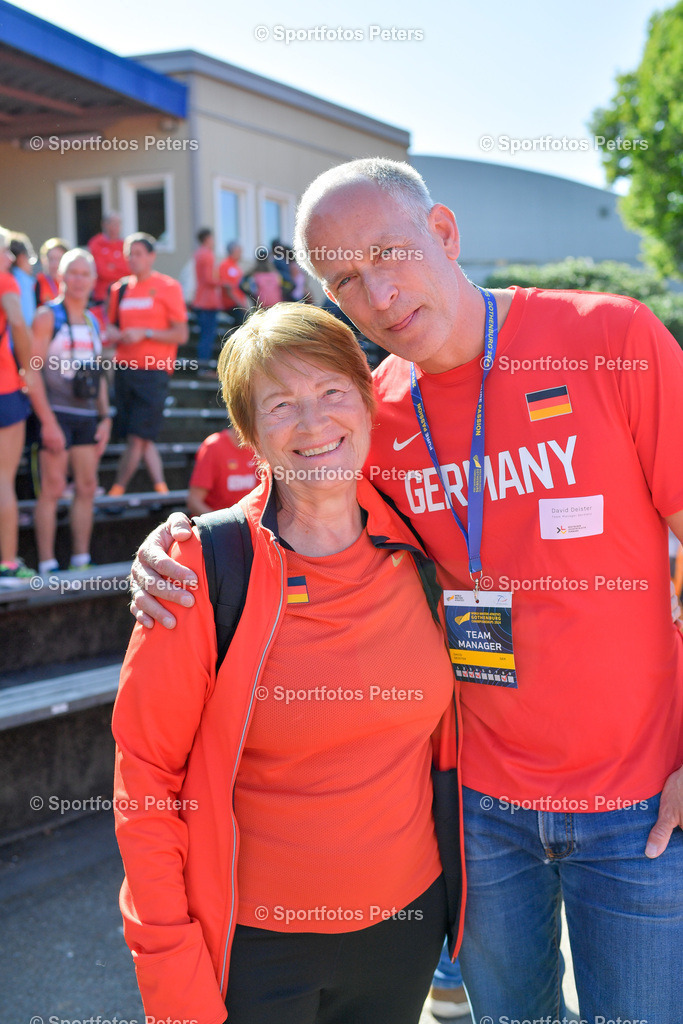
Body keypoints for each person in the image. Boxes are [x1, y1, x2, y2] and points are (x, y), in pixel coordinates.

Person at [130, 157, 683, 1024]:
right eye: (346, 277)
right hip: (477, 812)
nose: (379, 293)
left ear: (446, 233)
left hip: (641, 801)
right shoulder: (376, 408)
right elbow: (301, 478)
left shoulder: (609, 337)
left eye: (390, 252)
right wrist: (174, 544)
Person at [113, 302, 464, 1024]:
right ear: (247, 432)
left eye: (332, 392)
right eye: (280, 404)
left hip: (403, 929)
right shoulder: (203, 565)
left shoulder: (427, 546)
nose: (312, 424)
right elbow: (144, 777)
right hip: (253, 947)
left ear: (368, 402)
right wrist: (168, 966)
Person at [31, 249, 111, 573]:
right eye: (72, 273)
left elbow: (98, 373)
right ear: (61, 276)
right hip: (55, 412)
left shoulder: (93, 321)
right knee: (51, 487)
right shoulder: (47, 316)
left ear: (93, 280)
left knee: (87, 486)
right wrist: (47, 422)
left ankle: (81, 559)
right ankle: (47, 564)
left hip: (86, 416)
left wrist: (106, 417)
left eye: (85, 274)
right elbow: (31, 370)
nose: (78, 280)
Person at [106, 233, 188, 496]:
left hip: (154, 371)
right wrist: (116, 334)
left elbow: (181, 334)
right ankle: (161, 489)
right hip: (124, 369)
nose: (133, 258)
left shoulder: (168, 286)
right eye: (129, 253)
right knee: (142, 435)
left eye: (139, 253)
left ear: (152, 256)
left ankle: (116, 489)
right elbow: (109, 326)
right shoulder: (119, 289)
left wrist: (146, 333)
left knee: (138, 437)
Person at [0, 226, 39, 585]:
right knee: (4, 479)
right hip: (5, 388)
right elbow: (16, 322)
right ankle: (8, 564)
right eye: (4, 251)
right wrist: (28, 367)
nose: (11, 258)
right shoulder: (5, 280)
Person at [186, 425, 257, 516]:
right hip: (217, 524)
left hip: (248, 524)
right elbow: (194, 502)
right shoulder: (213, 446)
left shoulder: (259, 447)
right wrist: (222, 524)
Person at [192, 228, 222, 364]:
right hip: (207, 302)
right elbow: (209, 279)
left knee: (205, 335)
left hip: (200, 300)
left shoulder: (199, 253)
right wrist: (223, 281)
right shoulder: (207, 254)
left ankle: (202, 367)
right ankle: (203, 367)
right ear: (207, 239)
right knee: (207, 337)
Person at [88, 212, 129, 308]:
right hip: (102, 297)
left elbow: (129, 270)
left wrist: (112, 267)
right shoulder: (95, 243)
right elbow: (102, 271)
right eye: (112, 223)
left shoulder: (125, 244)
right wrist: (120, 270)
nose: (115, 227)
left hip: (124, 294)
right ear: (104, 224)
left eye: (118, 223)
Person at [218, 241, 250, 328]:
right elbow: (227, 287)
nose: (241, 254)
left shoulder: (236, 266)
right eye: (239, 251)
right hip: (231, 304)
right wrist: (241, 305)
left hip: (238, 304)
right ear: (233, 251)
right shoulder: (225, 265)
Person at [9, 233, 37, 326]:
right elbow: (28, 320)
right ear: (21, 257)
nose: (31, 263)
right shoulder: (22, 281)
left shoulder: (8, 278)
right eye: (30, 256)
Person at [35, 237, 68, 306]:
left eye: (59, 259)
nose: (55, 264)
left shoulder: (71, 283)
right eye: (51, 259)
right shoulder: (37, 283)